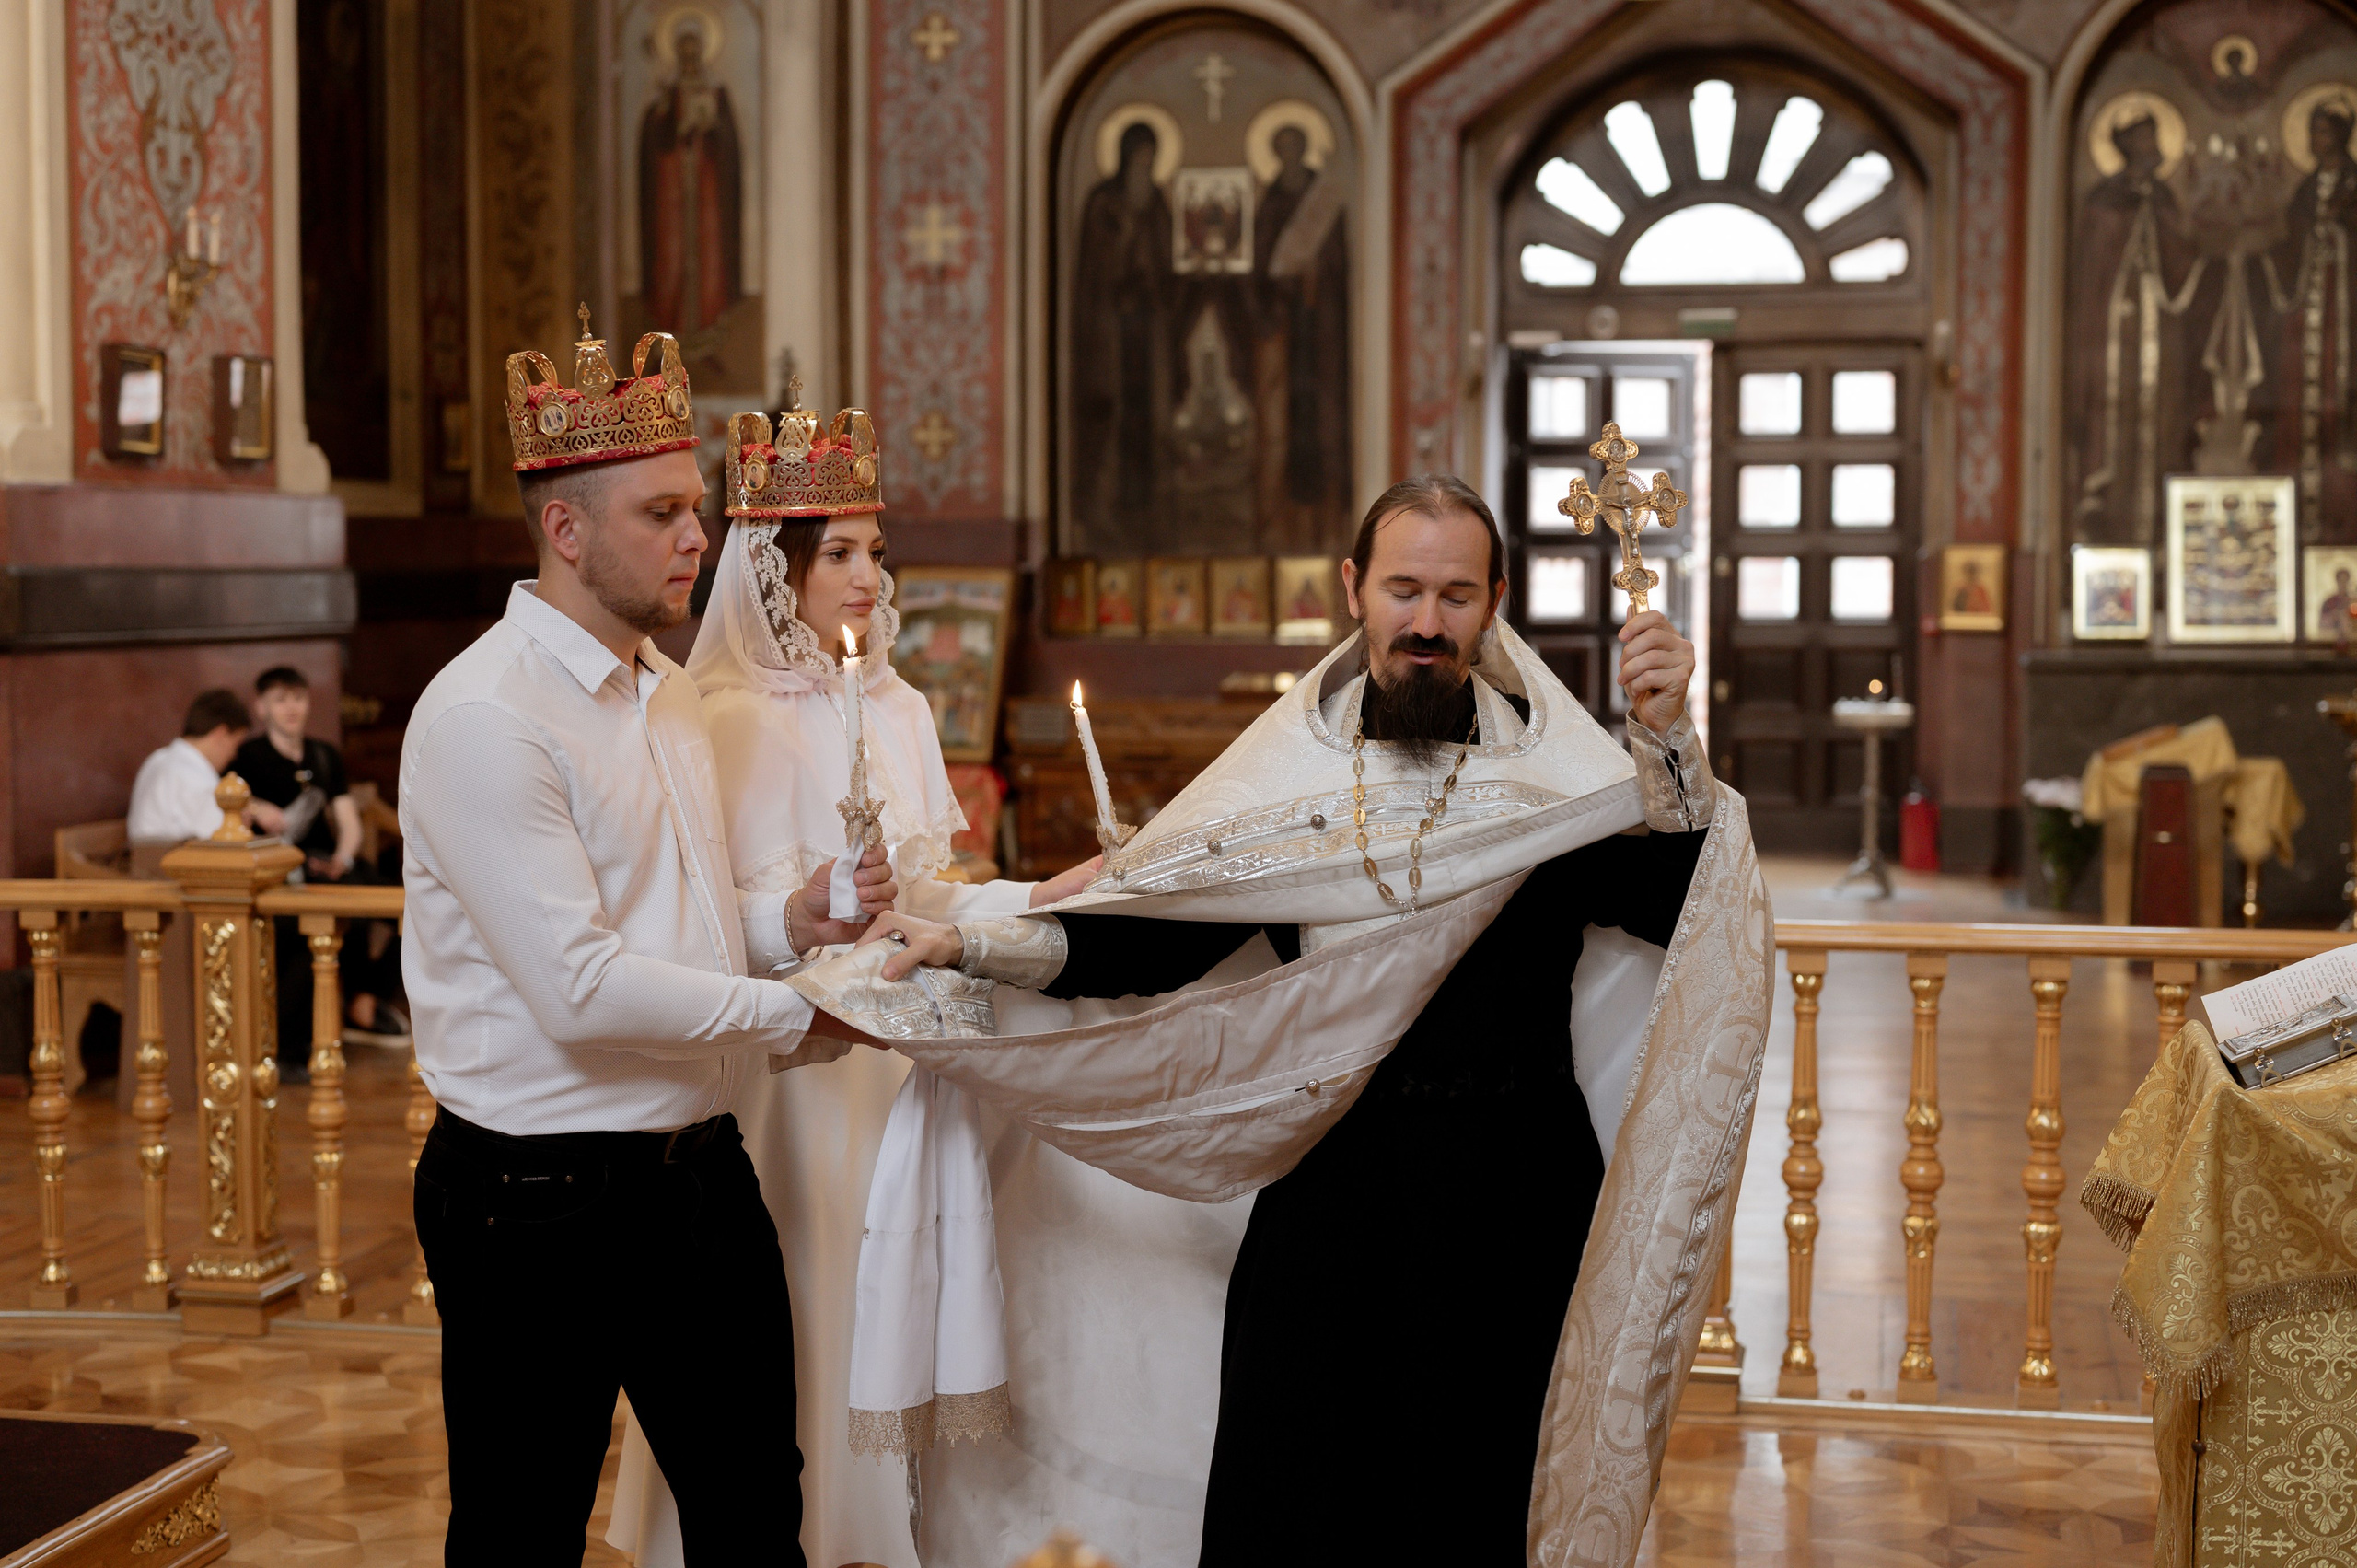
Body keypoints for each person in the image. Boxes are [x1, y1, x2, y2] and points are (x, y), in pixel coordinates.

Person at [833, 476, 1769, 1566]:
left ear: (1495, 601)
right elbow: (1150, 935)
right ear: (1353, 590)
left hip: (1510, 1199)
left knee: (1477, 1502)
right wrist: (969, 941)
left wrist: (1666, 745)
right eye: (1404, 589)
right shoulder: (1285, 784)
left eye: (1456, 595)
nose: (1426, 622)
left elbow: (1685, 908)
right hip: (1332, 1187)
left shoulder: (1557, 784)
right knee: (1294, 1496)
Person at [400, 320, 888, 1565]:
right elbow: (579, 987)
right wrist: (803, 1013)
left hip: (696, 1172)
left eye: (696, 511)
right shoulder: (483, 715)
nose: (699, 538)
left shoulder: (665, 688)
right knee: (520, 1531)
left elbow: (693, 919)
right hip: (532, 1195)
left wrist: (795, 920)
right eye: (665, 512)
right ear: (567, 531)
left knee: (750, 1513)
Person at [607, 395, 1097, 1568]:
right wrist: (811, 924)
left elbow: (930, 902)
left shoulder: (903, 707)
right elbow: (696, 926)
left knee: (894, 1289)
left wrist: (1039, 898)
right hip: (784, 1072)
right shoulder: (709, 717)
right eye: (838, 552)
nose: (871, 575)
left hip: (893, 1069)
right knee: (789, 1308)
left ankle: (894, 1534)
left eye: (876, 549)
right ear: (773, 570)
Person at [234, 667, 393, 1078]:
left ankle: (365, 995)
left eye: (299, 698)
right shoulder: (247, 756)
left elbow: (347, 819)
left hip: (329, 862)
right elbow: (230, 807)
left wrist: (344, 855)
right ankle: (297, 1041)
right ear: (261, 707)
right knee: (324, 924)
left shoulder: (324, 754)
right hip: (284, 870)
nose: (291, 708)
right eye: (281, 699)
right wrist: (256, 807)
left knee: (404, 907)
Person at [127, 688, 251, 844]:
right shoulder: (195, 776)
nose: (233, 754)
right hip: (168, 863)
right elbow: (226, 843)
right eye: (236, 744)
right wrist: (241, 821)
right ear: (221, 734)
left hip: (142, 861)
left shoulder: (158, 758)